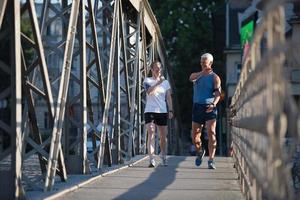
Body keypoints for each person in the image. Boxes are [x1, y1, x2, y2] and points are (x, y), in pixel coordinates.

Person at [189, 53, 221, 169]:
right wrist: (202, 73)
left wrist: (214, 104)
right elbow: (191, 78)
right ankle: (200, 151)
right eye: (201, 61)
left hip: (209, 107)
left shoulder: (215, 78)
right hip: (197, 107)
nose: (202, 63)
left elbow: (218, 94)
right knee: (195, 137)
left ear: (210, 63)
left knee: (212, 133)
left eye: (205, 61)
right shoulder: (197, 75)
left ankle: (211, 160)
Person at [143, 61, 173, 167]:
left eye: (160, 68)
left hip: (162, 111)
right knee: (151, 132)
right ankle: (151, 159)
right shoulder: (147, 80)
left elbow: (168, 97)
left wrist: (171, 110)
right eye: (156, 68)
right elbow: (149, 92)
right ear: (152, 69)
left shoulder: (166, 83)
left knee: (163, 136)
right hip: (150, 110)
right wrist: (157, 83)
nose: (158, 69)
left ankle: (163, 155)